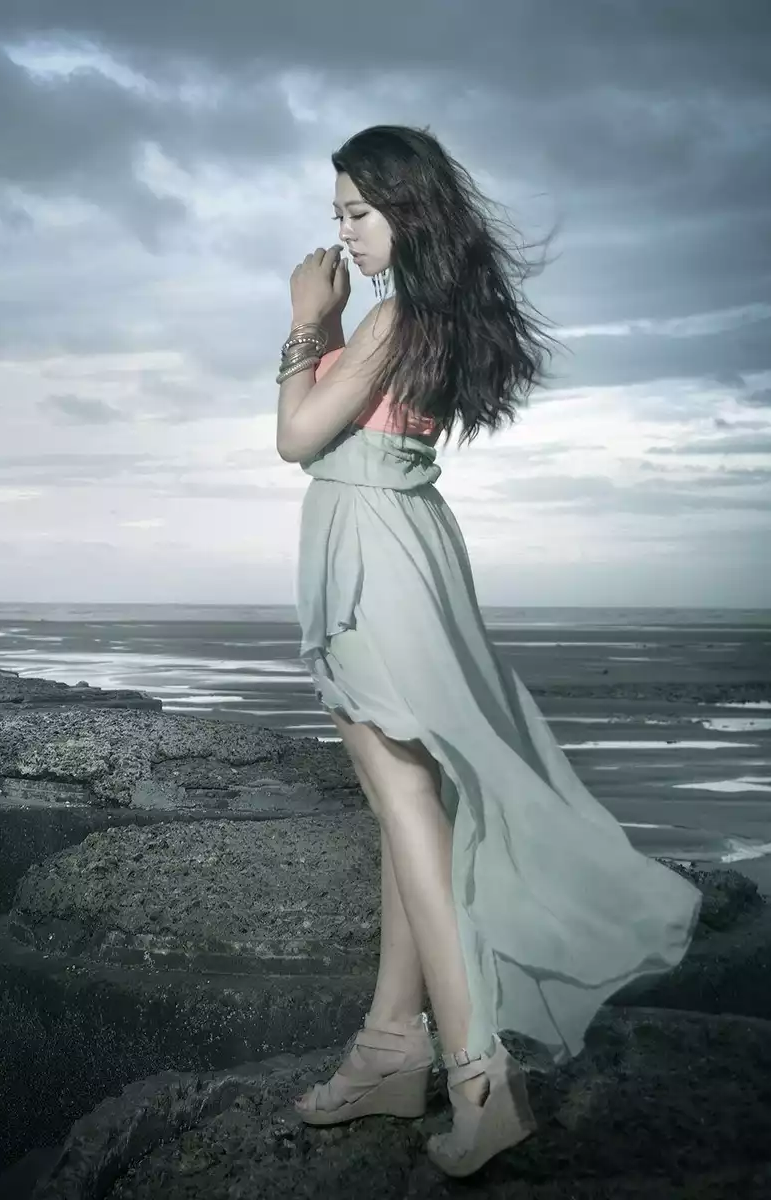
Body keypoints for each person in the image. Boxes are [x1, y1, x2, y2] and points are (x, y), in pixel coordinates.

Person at [275, 124, 702, 1178]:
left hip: (374, 557)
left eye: (358, 212)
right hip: (407, 543)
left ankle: (478, 1077)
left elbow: (296, 437)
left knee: (408, 804)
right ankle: (390, 1047)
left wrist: (306, 322)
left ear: (407, 210)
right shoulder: (430, 314)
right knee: (409, 799)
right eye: (337, 215)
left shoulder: (389, 319)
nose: (344, 232)